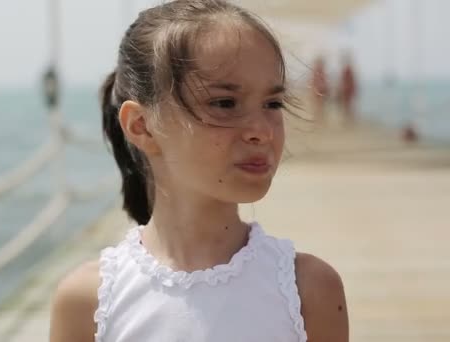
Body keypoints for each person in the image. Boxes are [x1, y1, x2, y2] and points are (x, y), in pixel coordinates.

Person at [50, 1, 348, 341]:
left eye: (272, 104)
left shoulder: (308, 290)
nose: (262, 131)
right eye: (224, 103)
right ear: (142, 126)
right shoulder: (87, 300)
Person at [338, 51, 358, 126]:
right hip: (347, 91)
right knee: (347, 107)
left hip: (347, 91)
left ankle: (348, 122)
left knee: (347, 107)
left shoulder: (347, 69)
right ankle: (348, 122)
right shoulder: (347, 69)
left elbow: (350, 82)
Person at [310, 56, 330, 124]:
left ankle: (319, 121)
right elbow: (313, 81)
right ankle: (319, 121)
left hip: (321, 90)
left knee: (320, 107)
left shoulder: (320, 70)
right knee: (318, 106)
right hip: (318, 90)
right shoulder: (318, 70)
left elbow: (324, 81)